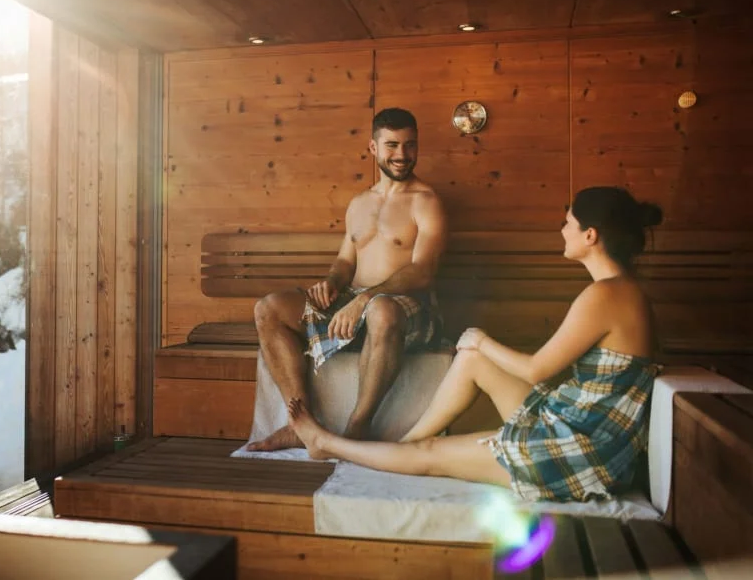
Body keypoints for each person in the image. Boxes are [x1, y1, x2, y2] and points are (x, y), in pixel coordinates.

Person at [285, 186, 663, 502]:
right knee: (470, 358)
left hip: (581, 453)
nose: (562, 230)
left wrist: (482, 339)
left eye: (568, 223)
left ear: (590, 235)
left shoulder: (606, 296)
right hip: (578, 426)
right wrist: (478, 347)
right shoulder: (621, 291)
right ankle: (403, 448)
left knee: (433, 452)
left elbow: (537, 370)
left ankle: (327, 443)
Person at [246, 107, 446, 452]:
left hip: (404, 309)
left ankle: (357, 429)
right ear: (373, 147)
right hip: (354, 303)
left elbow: (423, 271)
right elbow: (345, 260)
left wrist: (366, 299)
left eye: (410, 145)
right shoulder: (359, 203)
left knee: (382, 309)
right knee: (269, 308)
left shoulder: (426, 202)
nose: (402, 155)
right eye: (392, 145)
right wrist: (332, 283)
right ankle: (301, 425)